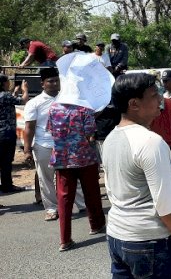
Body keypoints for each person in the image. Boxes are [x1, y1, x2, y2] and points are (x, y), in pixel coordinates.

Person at [103, 73, 171, 277]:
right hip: (149, 241)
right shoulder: (150, 142)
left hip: (117, 235)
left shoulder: (110, 138)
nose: (160, 99)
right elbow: (166, 203)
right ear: (134, 104)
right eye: (154, 95)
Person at [47, 100, 107, 251]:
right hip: (85, 157)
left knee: (64, 199)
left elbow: (51, 130)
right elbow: (90, 134)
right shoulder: (85, 108)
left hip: (62, 158)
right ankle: (96, 225)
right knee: (91, 193)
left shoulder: (53, 108)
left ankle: (65, 239)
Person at [22, 68, 80, 221]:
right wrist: (27, 150)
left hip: (67, 144)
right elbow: (29, 127)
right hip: (44, 145)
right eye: (50, 81)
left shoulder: (68, 99)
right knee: (46, 178)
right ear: (42, 84)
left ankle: (81, 204)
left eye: (56, 80)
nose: (54, 84)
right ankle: (51, 208)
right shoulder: (34, 103)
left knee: (73, 175)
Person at [1, 75, 28, 193]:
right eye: (8, 82)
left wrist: (15, 93)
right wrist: (25, 90)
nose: (9, 84)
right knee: (6, 162)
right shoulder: (5, 95)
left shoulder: (6, 96)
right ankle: (7, 185)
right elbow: (24, 101)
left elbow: (7, 103)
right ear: (3, 83)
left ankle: (6, 185)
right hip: (7, 133)